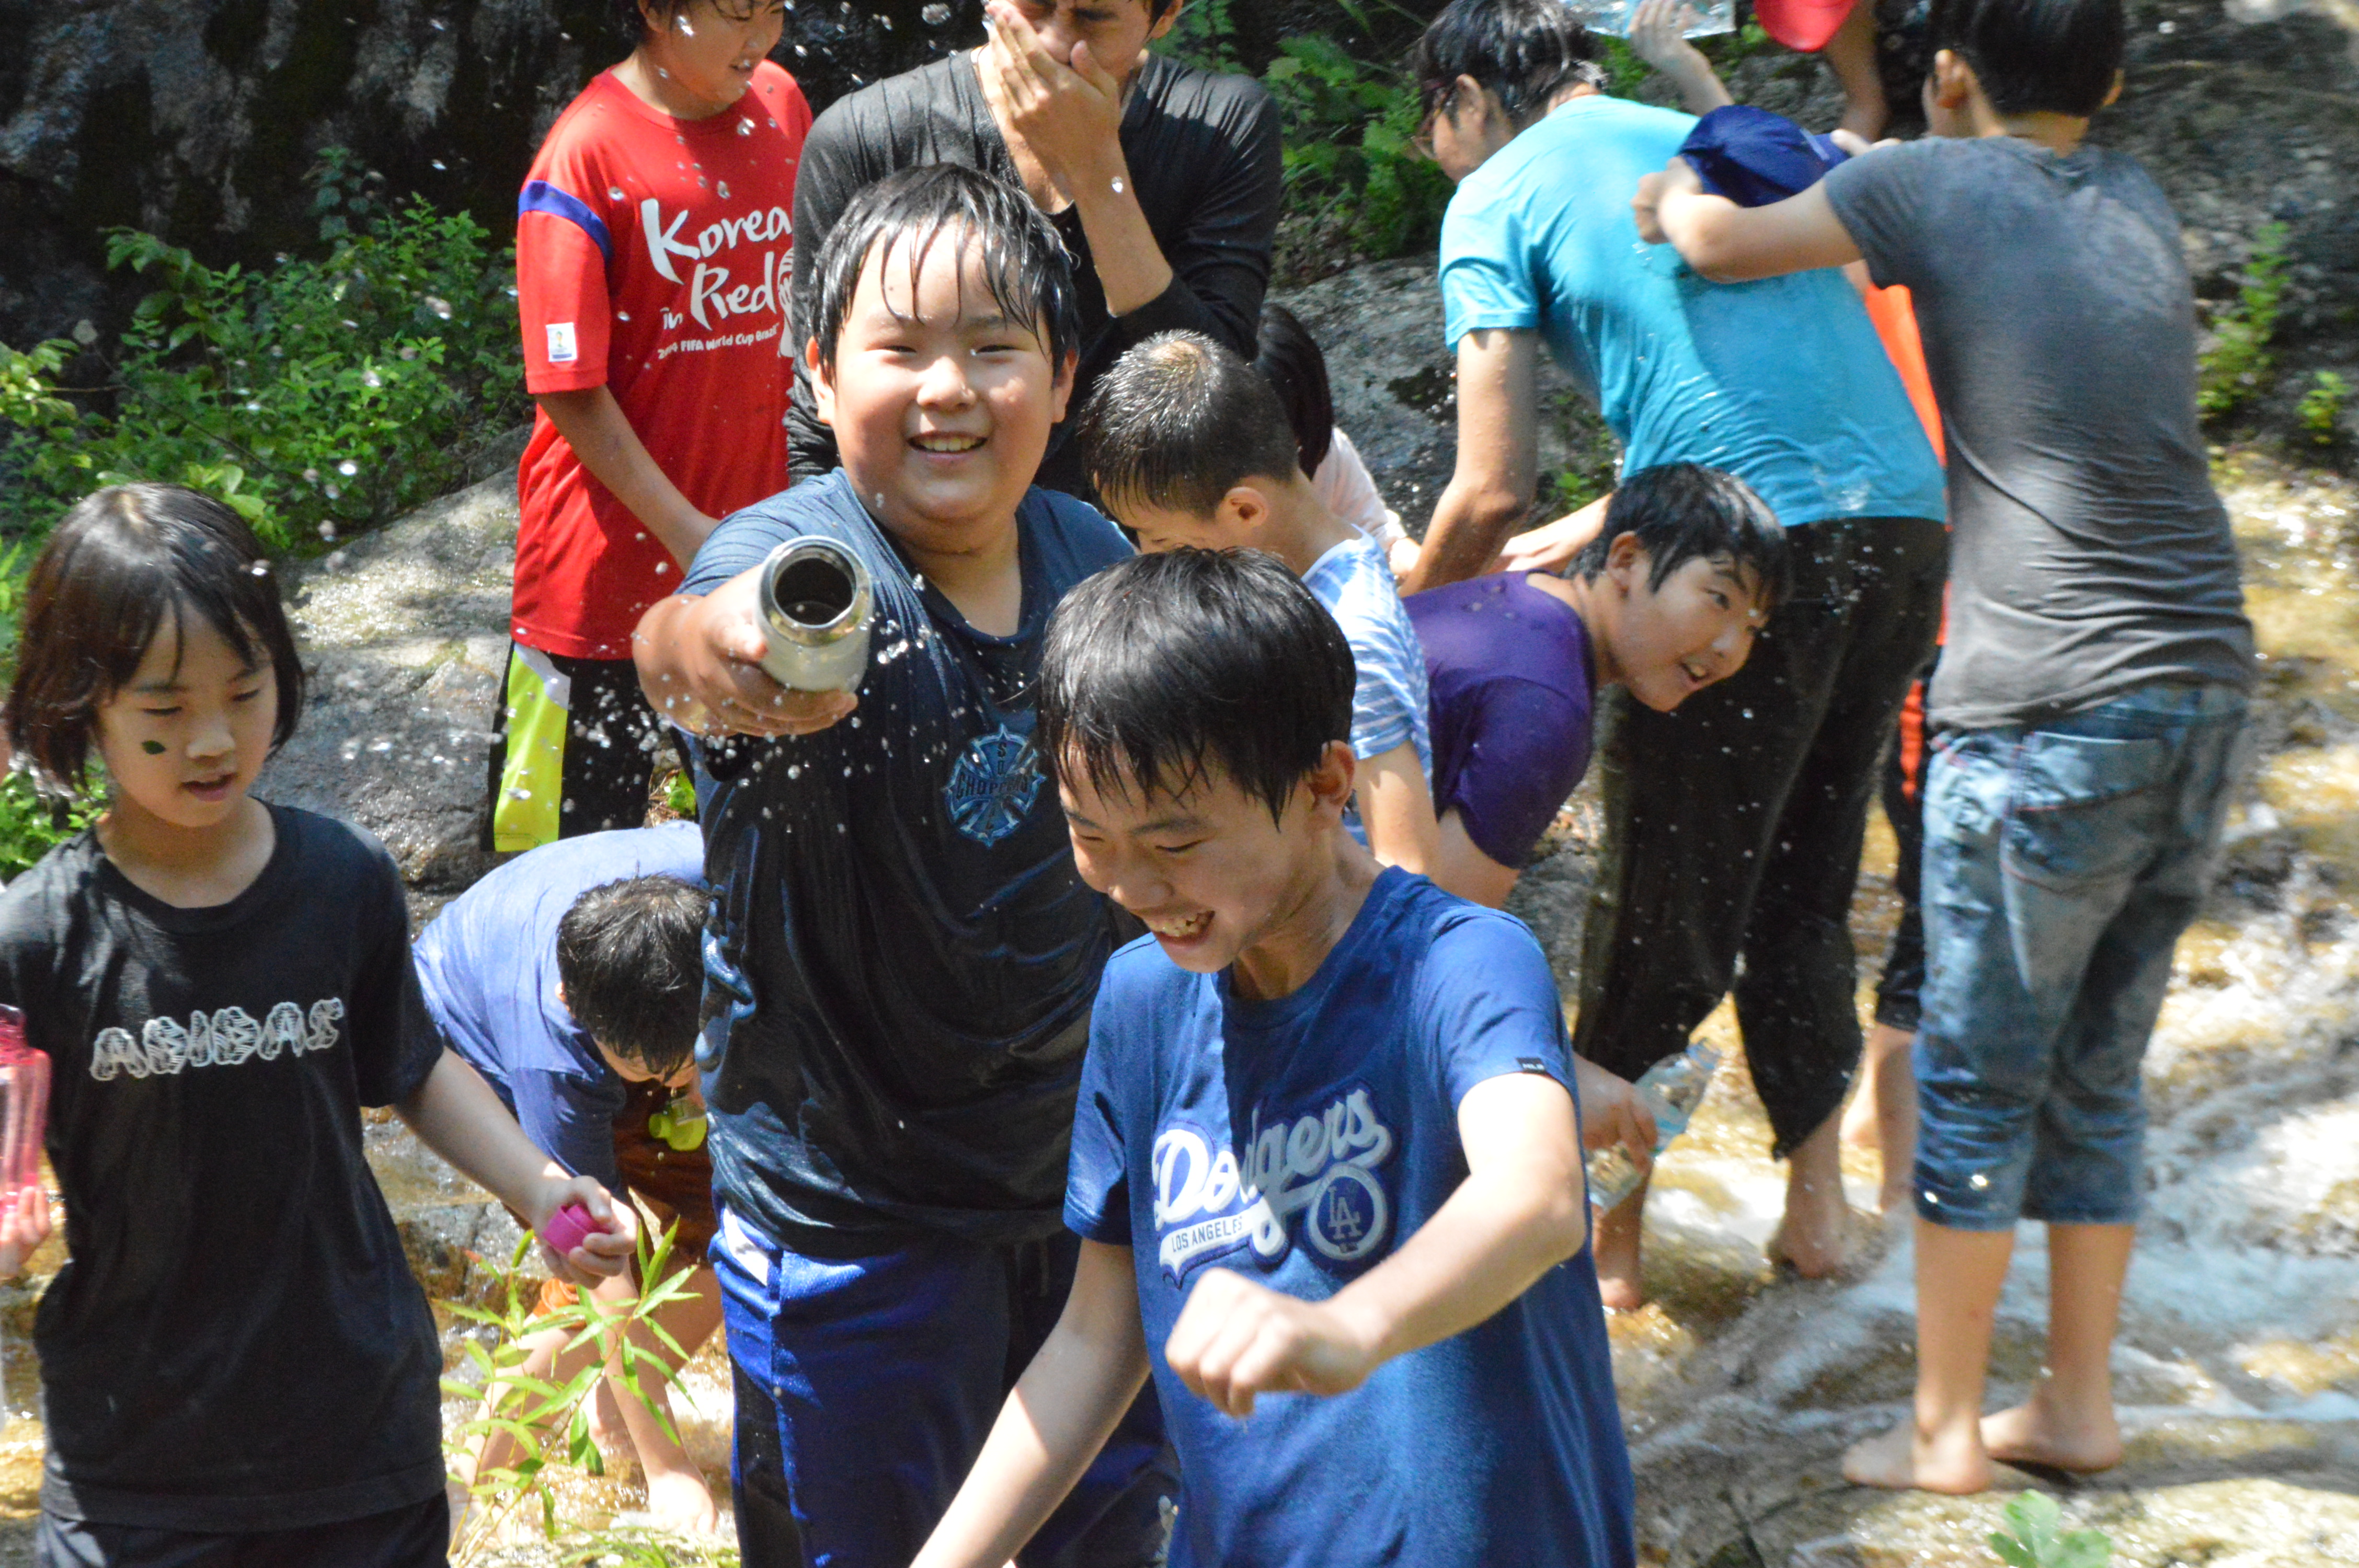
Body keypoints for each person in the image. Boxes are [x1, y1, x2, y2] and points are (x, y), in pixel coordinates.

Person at [1638, 0, 2255, 1493]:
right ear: (2109, 84)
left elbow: (1724, 244)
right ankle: (2076, 1409)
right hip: (2204, 689)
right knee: (2097, 1074)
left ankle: (1941, 1437)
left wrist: (1666, 188)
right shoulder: (2141, 198)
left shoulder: (1930, 179)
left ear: (1954, 76)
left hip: (2046, 700)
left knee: (1978, 1079)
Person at [631, 165, 1170, 1566]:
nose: (950, 389)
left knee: (1099, 1540)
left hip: (1078, 1204)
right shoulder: (803, 559)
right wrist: (734, 653)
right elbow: (677, 646)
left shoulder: (1085, 551)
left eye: (995, 348)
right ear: (817, 370)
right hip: (851, 1225)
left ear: (1061, 377)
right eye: (901, 348)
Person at [907, 548, 1638, 1568]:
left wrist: (1350, 1327)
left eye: (1174, 843)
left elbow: (1540, 1196)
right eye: (1091, 835)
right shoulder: (1143, 1001)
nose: (1132, 885)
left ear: (1323, 784)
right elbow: (1095, 1338)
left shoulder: (1457, 964)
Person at [1399, 0, 1949, 1307]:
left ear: (1468, 99)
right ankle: (1816, 1211)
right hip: (1904, 523)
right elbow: (1742, 383)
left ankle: (1609, 1261)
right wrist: (1604, 520)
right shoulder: (1692, 124)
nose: (1448, 163)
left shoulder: (1492, 194)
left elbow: (1486, 490)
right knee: (1805, 876)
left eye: (1439, 135)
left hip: (1750, 555)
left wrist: (1398, 631)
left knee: (1662, 897)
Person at [0, 484, 634, 1566]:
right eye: (162, 713)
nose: (212, 739)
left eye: (243, 695)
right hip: (139, 1454)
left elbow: (414, 1070)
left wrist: (538, 1188)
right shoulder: (39, 937)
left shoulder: (340, 880)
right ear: (81, 708)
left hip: (356, 1422)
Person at [494, 0, 814, 851]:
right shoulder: (585, 156)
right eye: (739, 13)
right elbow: (567, 387)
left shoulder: (782, 105)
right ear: (652, 8)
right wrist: (690, 532)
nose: (763, 38)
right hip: (595, 592)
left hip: (745, 568)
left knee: (768, 855)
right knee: (556, 871)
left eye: (775, 11)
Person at [783, 0, 1282, 496]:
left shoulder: (1222, 125)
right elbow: (818, 415)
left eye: (1092, 18)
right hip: (914, 525)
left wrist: (1096, 171)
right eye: (1034, 7)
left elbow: (1215, 388)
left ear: (1167, 14)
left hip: (1132, 529)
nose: (1052, 43)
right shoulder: (866, 138)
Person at [415, 824, 723, 1533]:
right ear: (572, 1005)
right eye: (664, 1078)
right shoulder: (552, 1056)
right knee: (596, 1253)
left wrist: (696, 1072)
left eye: (694, 1066)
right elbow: (600, 1276)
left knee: (720, 1221)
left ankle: (614, 1416)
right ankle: (475, 1497)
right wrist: (670, 1471)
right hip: (466, 1048)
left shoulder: (719, 875)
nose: (691, 1092)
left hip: (636, 991)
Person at [1072, 330, 1439, 879]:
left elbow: (1410, 866)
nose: (1144, 559)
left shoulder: (1352, 636)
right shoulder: (1314, 568)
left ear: (1245, 511)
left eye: (1161, 541)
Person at [1406, 463, 1789, 905]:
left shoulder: (1519, 597)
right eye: (1720, 599)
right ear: (1626, 559)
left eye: (1752, 628)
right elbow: (1435, 932)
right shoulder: (1548, 708)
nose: (1730, 648)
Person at [1251, 302, 1414, 568]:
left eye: (1291, 442)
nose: (1270, 461)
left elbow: (1381, 542)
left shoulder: (1324, 453)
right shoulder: (1179, 497)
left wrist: (1445, 571)